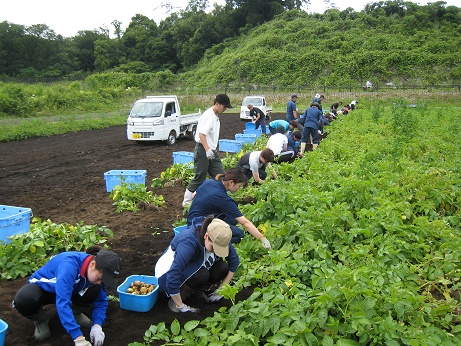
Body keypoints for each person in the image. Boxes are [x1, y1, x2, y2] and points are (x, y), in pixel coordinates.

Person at [13, 246, 121, 346]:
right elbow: (63, 303)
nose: (99, 282)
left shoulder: (95, 275)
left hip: (71, 289)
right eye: (99, 278)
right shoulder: (69, 265)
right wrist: (78, 338)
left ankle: (75, 313)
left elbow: (101, 301)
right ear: (92, 265)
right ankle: (41, 320)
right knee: (24, 299)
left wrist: (97, 325)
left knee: (95, 290)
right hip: (45, 290)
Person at [155, 216, 240, 313]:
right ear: (206, 236)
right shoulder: (188, 243)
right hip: (166, 276)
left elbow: (234, 262)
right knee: (201, 275)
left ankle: (197, 290)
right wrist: (181, 306)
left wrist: (222, 289)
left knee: (222, 268)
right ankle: (177, 300)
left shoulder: (220, 237)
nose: (216, 251)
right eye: (213, 247)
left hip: (194, 265)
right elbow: (173, 273)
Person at [186, 168, 271, 248]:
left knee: (233, 219)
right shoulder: (223, 199)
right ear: (231, 182)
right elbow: (245, 223)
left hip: (191, 220)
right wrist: (262, 239)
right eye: (239, 185)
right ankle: (209, 243)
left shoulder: (210, 182)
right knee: (239, 235)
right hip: (199, 229)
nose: (239, 188)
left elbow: (193, 196)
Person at [182, 94, 233, 207]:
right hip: (203, 149)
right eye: (224, 107)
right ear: (217, 104)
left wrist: (211, 150)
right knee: (200, 176)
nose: (224, 110)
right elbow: (201, 134)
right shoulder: (209, 116)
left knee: (220, 175)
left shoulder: (215, 115)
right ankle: (187, 202)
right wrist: (207, 150)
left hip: (211, 150)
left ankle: (220, 198)